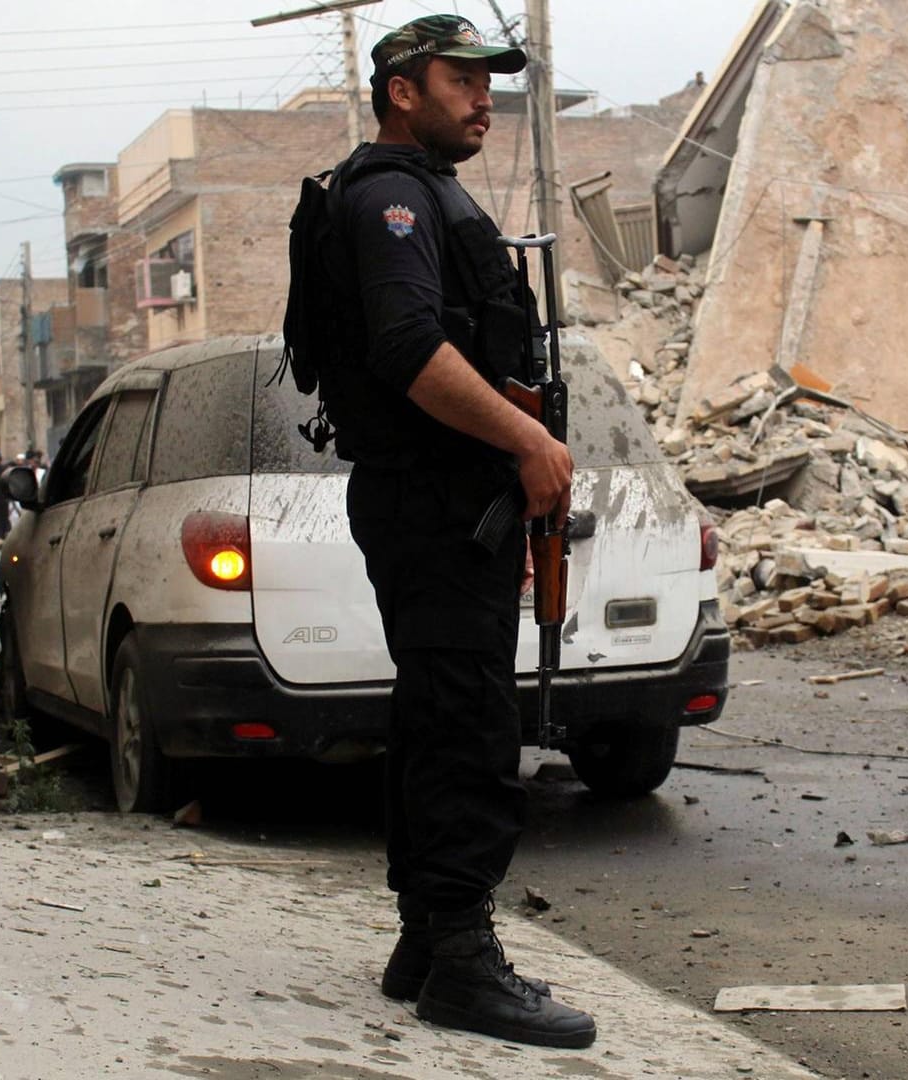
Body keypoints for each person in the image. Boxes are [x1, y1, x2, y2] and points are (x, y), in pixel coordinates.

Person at [307, 15, 588, 1049]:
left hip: (440, 502)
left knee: (436, 714)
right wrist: (528, 442)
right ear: (400, 91)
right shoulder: (389, 196)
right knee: (470, 723)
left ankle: (426, 940)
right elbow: (410, 346)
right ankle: (465, 956)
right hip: (434, 501)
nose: (482, 97)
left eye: (489, 80)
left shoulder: (422, 192)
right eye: (459, 78)